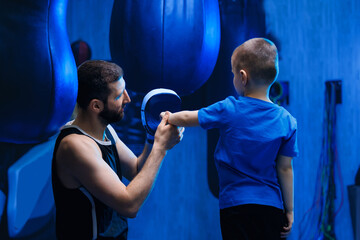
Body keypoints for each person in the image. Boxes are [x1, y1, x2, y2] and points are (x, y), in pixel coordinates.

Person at [161, 38, 298, 239]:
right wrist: (290, 210)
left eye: (233, 73)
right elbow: (285, 168)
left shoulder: (229, 108)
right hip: (272, 207)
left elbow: (190, 117)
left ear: (242, 77)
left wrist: (169, 117)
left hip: (236, 206)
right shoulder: (288, 121)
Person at [52, 60, 182, 240]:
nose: (128, 99)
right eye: (119, 95)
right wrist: (161, 148)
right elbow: (129, 205)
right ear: (96, 106)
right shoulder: (74, 146)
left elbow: (137, 171)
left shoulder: (106, 131)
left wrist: (153, 138)